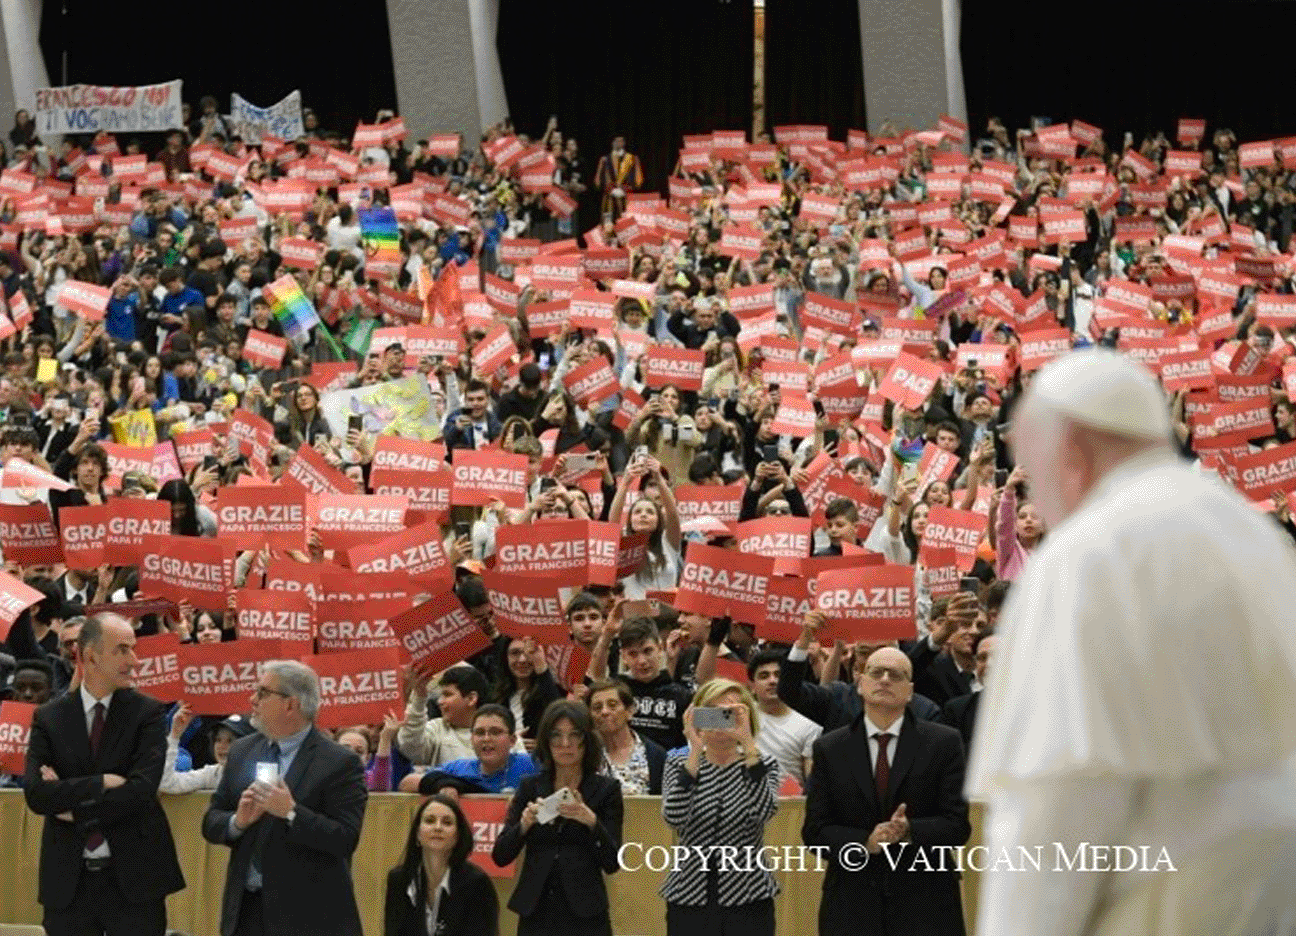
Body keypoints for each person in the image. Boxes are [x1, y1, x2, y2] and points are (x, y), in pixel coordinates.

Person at [968, 348, 1296, 936]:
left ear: (1066, 449)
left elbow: (1054, 808)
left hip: (1163, 896)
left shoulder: (1085, 554)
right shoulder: (1249, 531)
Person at [22, 612, 186, 936]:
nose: (134, 660)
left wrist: (73, 806)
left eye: (133, 649)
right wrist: (100, 783)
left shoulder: (149, 713)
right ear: (90, 656)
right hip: (69, 883)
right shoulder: (49, 718)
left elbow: (140, 792)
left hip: (135, 881)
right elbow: (37, 794)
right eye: (122, 650)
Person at [802, 647, 971, 936]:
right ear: (860, 684)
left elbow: (957, 826)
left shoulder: (944, 743)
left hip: (926, 905)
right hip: (852, 906)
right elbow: (816, 833)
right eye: (875, 672)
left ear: (910, 691)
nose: (884, 679)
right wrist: (865, 841)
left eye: (895, 674)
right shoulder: (830, 748)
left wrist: (909, 831)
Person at [201, 660, 369, 936]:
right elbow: (211, 820)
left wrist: (292, 812)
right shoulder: (243, 750)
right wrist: (237, 822)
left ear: (290, 705)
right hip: (246, 911)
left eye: (263, 693)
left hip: (308, 917)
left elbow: (345, 838)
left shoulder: (339, 762)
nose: (252, 699)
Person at [661, 679, 781, 936]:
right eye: (711, 711)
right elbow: (674, 818)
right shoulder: (677, 762)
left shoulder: (763, 764)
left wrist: (748, 745)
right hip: (688, 892)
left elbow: (764, 812)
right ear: (697, 715)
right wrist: (694, 752)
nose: (719, 720)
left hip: (749, 893)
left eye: (729, 713)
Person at [492, 700, 624, 936]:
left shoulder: (606, 790)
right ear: (546, 741)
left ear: (587, 740)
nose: (565, 744)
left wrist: (591, 821)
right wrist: (524, 824)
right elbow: (501, 856)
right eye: (556, 736)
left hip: (586, 912)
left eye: (575, 735)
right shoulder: (530, 787)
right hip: (536, 910)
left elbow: (613, 862)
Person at [384, 793, 499, 936]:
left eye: (447, 822)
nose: (438, 827)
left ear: (457, 836)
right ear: (418, 834)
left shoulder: (476, 883)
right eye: (430, 821)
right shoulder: (399, 879)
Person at [400, 704, 537, 795]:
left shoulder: (531, 764)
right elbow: (407, 783)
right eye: (479, 732)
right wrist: (443, 785)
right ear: (471, 739)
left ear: (512, 740)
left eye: (495, 732)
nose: (486, 738)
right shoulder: (459, 768)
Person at [588, 678, 667, 795]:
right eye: (597, 707)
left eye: (612, 705)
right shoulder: (587, 754)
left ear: (629, 711)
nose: (604, 711)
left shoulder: (656, 755)